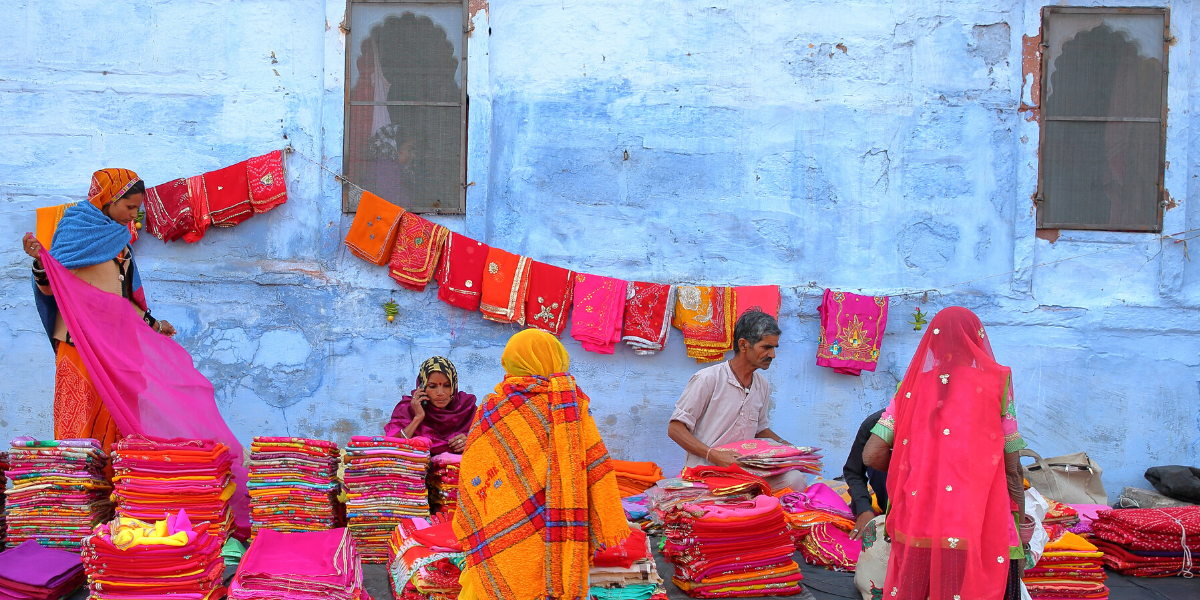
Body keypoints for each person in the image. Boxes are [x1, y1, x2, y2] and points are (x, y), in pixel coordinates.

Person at [862, 307, 1028, 600]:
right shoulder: (997, 382)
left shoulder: (910, 387)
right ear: (977, 339)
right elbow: (1012, 466)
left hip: (917, 520)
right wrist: (1021, 527)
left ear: (934, 341)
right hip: (977, 522)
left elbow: (872, 455)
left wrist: (918, 468)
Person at [452, 329, 629, 600]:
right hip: (558, 520)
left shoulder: (492, 408)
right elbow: (593, 464)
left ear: (511, 362)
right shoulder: (571, 403)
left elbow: (473, 467)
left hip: (500, 518)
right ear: (555, 358)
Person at [21, 168, 176, 454]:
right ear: (108, 198)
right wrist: (41, 262)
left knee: (118, 422)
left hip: (117, 346)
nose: (134, 215)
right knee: (78, 420)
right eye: (129, 207)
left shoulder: (120, 241)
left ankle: (112, 494)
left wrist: (154, 325)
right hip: (78, 343)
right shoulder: (75, 231)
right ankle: (77, 493)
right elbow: (51, 287)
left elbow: (123, 298)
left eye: (138, 209)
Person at [668, 309, 808, 492]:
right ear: (743, 345)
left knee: (796, 478)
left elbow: (759, 430)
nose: (772, 355)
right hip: (707, 473)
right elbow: (675, 428)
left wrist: (787, 449)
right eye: (766, 347)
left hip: (746, 474)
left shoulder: (762, 385)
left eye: (774, 348)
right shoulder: (708, 378)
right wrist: (714, 455)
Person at [384, 356, 477, 455]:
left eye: (447, 385)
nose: (440, 393)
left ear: (454, 386)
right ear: (422, 387)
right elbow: (391, 447)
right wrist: (417, 418)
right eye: (432, 386)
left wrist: (470, 441)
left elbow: (487, 444)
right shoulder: (406, 410)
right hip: (416, 469)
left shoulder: (467, 409)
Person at [843, 408, 889, 541]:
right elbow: (853, 471)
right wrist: (864, 509)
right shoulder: (876, 423)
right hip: (889, 508)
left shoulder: (946, 427)